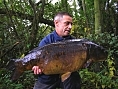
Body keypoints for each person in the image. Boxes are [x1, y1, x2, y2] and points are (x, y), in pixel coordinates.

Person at [32, 12, 81, 89]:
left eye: (71, 24)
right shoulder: (46, 41)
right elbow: (37, 60)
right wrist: (36, 66)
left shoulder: (75, 42)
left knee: (74, 77)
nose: (70, 27)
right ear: (56, 23)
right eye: (67, 23)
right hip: (48, 78)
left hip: (68, 76)